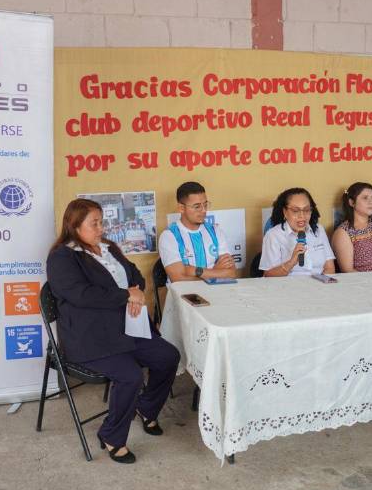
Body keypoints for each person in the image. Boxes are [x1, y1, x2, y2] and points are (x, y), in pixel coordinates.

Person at [46, 198, 180, 464]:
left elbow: (135, 276)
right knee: (130, 376)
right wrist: (125, 296)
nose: (101, 228)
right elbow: (81, 295)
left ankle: (146, 407)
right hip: (90, 337)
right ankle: (111, 435)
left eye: (101, 222)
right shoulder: (62, 257)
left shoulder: (109, 248)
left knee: (168, 356)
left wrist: (137, 293)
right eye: (94, 223)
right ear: (74, 226)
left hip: (126, 327)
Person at [158, 181, 236, 282]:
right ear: (181, 208)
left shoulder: (215, 231)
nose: (203, 210)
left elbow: (231, 273)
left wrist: (196, 271)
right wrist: (216, 271)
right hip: (185, 296)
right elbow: (178, 279)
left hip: (217, 294)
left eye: (205, 205)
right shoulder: (169, 236)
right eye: (197, 206)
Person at [260, 187, 336, 276]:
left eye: (307, 210)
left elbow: (329, 268)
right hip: (287, 288)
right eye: (295, 211)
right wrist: (291, 262)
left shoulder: (318, 230)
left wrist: (321, 286)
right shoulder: (273, 235)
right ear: (285, 212)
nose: (302, 216)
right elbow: (268, 275)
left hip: (319, 285)